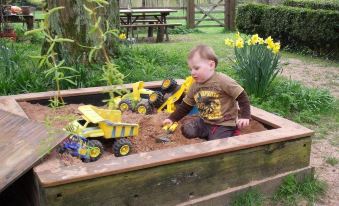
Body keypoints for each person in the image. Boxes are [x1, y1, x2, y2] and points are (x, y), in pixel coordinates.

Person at [162, 44, 251, 141]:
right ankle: (207, 134)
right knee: (187, 130)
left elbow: (241, 95)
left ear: (211, 65)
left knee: (216, 142)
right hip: (205, 122)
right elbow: (185, 106)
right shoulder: (195, 86)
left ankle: (232, 132)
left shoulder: (222, 80)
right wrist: (172, 119)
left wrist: (245, 116)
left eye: (196, 68)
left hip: (223, 124)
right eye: (191, 69)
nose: (192, 72)